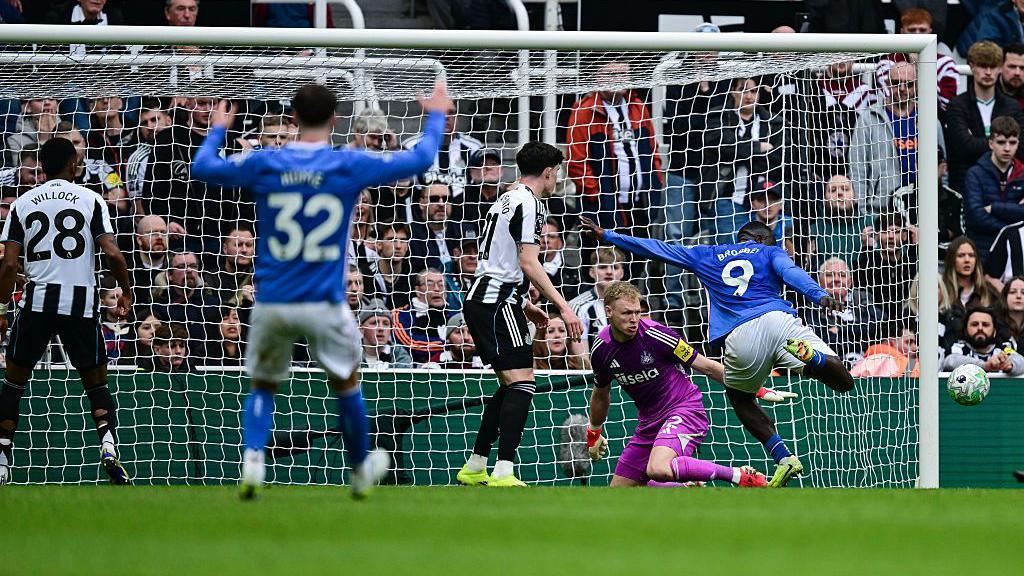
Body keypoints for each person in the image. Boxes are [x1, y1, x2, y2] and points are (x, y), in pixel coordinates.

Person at [189, 80, 451, 499]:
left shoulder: (266, 162)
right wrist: (435, 113)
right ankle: (360, 470)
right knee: (347, 381)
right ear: (335, 120)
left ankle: (253, 458)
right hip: (325, 301)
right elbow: (421, 156)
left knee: (263, 384)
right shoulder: (347, 164)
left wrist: (218, 128)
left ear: (292, 119)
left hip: (272, 298)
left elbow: (202, 167)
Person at [580, 217, 853, 487]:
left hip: (740, 335)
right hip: (781, 322)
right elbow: (790, 272)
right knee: (843, 380)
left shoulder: (707, 255)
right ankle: (812, 357)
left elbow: (658, 248)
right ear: (759, 240)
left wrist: (608, 235)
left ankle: (782, 457)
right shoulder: (770, 251)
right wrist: (818, 295)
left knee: (740, 399)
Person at [0, 137, 133, 485]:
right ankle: (108, 445)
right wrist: (126, 293)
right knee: (96, 384)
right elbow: (114, 254)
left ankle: (2, 458)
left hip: (38, 302)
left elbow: (8, 265)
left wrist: (1, 307)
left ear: (41, 166)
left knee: (14, 383)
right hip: (80, 305)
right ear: (73, 165)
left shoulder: (22, 204)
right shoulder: (91, 199)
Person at [457, 141, 584, 488]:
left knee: (511, 384)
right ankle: (503, 469)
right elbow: (528, 261)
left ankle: (475, 464)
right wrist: (563, 306)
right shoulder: (530, 203)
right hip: (495, 301)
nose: (557, 177)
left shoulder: (508, 197)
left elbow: (502, 258)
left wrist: (525, 303)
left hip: (493, 298)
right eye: (556, 171)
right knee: (524, 383)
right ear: (547, 172)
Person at [586, 281, 797, 488]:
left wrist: (756, 388)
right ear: (609, 311)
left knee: (658, 468)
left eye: (637, 312)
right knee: (618, 492)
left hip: (684, 410)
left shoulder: (656, 335)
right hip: (649, 423)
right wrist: (593, 431)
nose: (634, 319)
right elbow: (601, 393)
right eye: (626, 314)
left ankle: (738, 475)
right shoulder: (601, 349)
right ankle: (688, 487)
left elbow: (707, 366)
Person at [705, 77, 783, 243]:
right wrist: (758, 148)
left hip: (766, 202)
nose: (748, 96)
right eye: (743, 90)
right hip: (730, 200)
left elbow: (778, 158)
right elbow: (721, 146)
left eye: (753, 91)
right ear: (733, 91)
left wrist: (740, 152)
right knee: (728, 253)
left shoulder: (774, 122)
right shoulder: (719, 116)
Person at [946, 41, 1024, 193]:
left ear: (1000, 68)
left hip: (1005, 189)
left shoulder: (1012, 106)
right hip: (966, 187)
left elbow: (1021, 148)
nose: (988, 72)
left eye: (993, 66)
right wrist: (1001, 142)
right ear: (972, 66)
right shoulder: (957, 105)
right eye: (983, 66)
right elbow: (963, 147)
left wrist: (977, 139)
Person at [850, 61, 918, 215]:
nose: (902, 89)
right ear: (887, 83)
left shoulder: (929, 119)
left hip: (922, 209)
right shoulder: (868, 118)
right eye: (896, 83)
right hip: (881, 213)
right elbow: (857, 170)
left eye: (908, 84)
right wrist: (862, 215)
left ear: (917, 86)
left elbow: (942, 167)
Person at [802, 258, 885, 365]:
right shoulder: (811, 305)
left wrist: (840, 330)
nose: (836, 279)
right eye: (829, 275)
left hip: (866, 362)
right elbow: (821, 338)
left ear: (850, 282)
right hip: (829, 362)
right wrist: (859, 337)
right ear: (819, 281)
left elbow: (879, 324)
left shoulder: (862, 298)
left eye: (842, 275)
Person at [963, 116, 1024, 259]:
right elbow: (974, 216)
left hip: (1014, 251)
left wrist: (994, 208)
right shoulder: (975, 174)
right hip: (982, 250)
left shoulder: (1022, 174)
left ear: (1018, 144)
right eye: (1001, 142)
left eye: (1012, 143)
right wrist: (1010, 226)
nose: (1007, 148)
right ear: (991, 143)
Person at [569, 246, 626, 348]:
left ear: (622, 273)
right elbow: (582, 358)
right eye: (602, 267)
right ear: (591, 272)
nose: (609, 271)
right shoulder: (578, 305)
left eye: (615, 267)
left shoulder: (633, 304)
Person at [943, 306, 1024, 376]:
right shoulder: (957, 347)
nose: (980, 328)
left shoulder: (1004, 349)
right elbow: (950, 362)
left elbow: (1021, 361)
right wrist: (985, 366)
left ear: (994, 332)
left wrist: (1009, 365)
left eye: (985, 324)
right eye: (974, 324)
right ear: (965, 331)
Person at [812, 174, 872, 266]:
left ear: (855, 197)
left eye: (845, 189)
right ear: (824, 199)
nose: (839, 193)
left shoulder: (868, 224)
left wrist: (869, 246)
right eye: (833, 190)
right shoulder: (815, 229)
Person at [941, 236, 1000, 311]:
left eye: (971, 255)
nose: (967, 260)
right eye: (961, 255)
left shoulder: (989, 292)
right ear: (952, 260)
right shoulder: (941, 290)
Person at [358, 303, 412, 370]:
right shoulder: (349, 352)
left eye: (385, 324)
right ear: (361, 329)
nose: (381, 328)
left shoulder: (398, 354)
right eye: (374, 323)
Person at [996, 275, 1024, 344]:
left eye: (1023, 293)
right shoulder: (993, 323)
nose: (1018, 296)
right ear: (1005, 297)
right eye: (1012, 292)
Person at [998, 43, 1024, 109]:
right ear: (1000, 67)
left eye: (1022, 68)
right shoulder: (988, 93)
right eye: (1012, 67)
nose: (1017, 73)